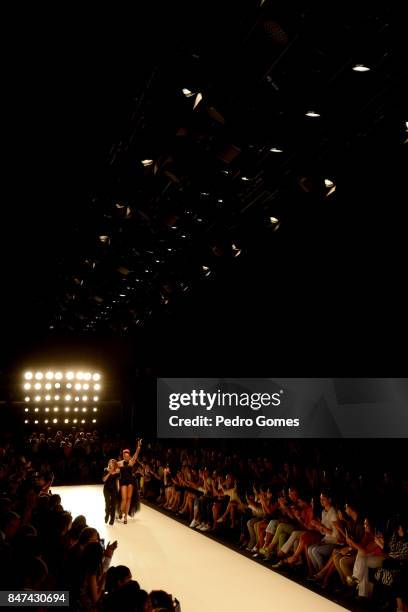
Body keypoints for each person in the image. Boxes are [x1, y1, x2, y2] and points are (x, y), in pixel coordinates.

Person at [117, 440, 142, 524]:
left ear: (129, 456)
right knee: (124, 499)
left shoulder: (131, 461)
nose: (126, 457)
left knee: (129, 499)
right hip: (123, 481)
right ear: (123, 456)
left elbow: (137, 453)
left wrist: (138, 446)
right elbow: (114, 468)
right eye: (124, 456)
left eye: (127, 456)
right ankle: (121, 511)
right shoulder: (119, 463)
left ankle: (125, 517)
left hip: (131, 481)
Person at [102, 460, 120, 525]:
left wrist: (118, 490)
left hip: (114, 489)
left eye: (112, 463)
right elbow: (104, 480)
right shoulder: (105, 470)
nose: (110, 464)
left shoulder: (117, 472)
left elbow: (117, 481)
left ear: (114, 465)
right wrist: (109, 473)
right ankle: (107, 515)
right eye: (109, 463)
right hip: (106, 489)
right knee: (107, 503)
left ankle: (112, 519)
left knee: (113, 504)